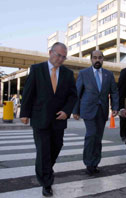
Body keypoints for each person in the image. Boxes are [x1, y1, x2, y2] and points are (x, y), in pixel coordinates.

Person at [20, 42, 77, 197]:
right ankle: (46, 182)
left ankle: (44, 168)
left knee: (56, 146)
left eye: (63, 57)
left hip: (59, 119)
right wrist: (24, 113)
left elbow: (73, 96)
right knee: (44, 150)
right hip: (40, 117)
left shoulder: (67, 73)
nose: (60, 59)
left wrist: (67, 111)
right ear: (50, 52)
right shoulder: (37, 69)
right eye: (58, 55)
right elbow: (28, 91)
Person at [72, 50, 119, 176]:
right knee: (91, 135)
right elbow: (77, 93)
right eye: (95, 58)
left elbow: (114, 92)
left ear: (103, 59)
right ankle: (88, 163)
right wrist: (75, 111)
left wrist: (115, 107)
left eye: (100, 58)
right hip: (88, 109)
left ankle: (95, 163)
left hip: (102, 110)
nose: (97, 60)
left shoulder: (108, 74)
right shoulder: (84, 73)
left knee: (98, 138)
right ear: (91, 59)